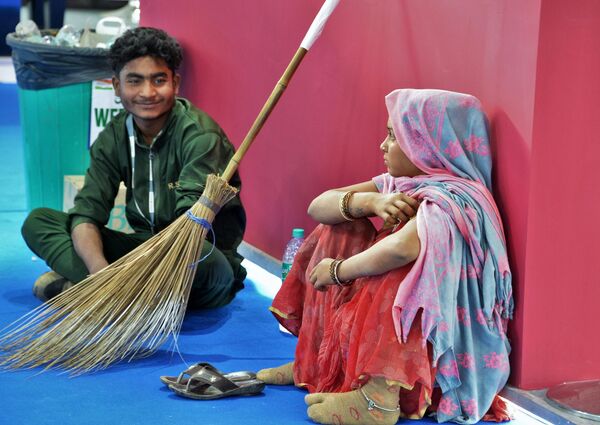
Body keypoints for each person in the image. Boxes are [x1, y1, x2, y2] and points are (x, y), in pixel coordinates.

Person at [257, 89, 513, 424]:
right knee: (338, 228)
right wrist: (370, 204)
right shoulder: (407, 183)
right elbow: (318, 206)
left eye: (393, 136)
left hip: (431, 358)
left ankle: (379, 400)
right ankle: (317, 363)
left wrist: (338, 270)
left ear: (427, 145)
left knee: (400, 271)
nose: (382, 145)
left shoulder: (453, 198)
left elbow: (402, 248)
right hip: (388, 325)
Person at [21, 27, 246, 309]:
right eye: (135, 81)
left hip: (197, 256)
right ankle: (112, 292)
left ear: (175, 83)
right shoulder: (113, 137)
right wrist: (100, 270)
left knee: (207, 262)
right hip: (143, 249)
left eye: (159, 80)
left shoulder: (201, 136)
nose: (147, 92)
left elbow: (189, 228)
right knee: (40, 222)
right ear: (117, 86)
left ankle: (94, 295)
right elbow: (86, 215)